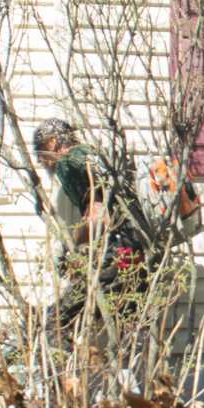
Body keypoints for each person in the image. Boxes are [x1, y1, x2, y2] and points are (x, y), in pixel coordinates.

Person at [34, 118, 149, 342]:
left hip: (115, 253)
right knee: (127, 331)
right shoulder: (96, 155)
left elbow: (98, 215)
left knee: (55, 325)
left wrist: (70, 250)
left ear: (53, 143)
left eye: (41, 151)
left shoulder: (68, 164)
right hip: (136, 251)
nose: (40, 161)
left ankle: (61, 377)